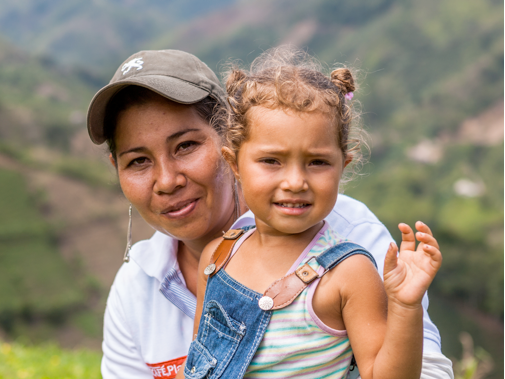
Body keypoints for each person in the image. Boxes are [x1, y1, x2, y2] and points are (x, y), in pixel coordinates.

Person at [86, 49, 453, 379]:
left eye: (186, 146)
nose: (166, 181)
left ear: (225, 142)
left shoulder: (351, 241)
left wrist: (404, 308)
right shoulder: (170, 274)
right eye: (138, 161)